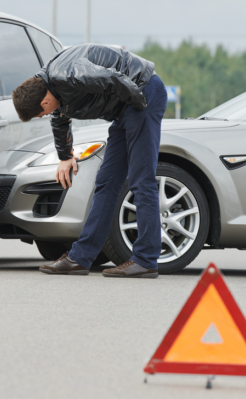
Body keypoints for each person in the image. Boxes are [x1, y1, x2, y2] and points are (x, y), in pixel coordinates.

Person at [12, 43, 167, 278]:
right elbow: (60, 118)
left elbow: (114, 79)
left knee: (140, 179)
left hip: (142, 95)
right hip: (126, 109)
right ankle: (80, 258)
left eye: (40, 114)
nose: (44, 115)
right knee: (106, 181)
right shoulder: (50, 85)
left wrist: (139, 110)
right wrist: (65, 157)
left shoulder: (70, 74)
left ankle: (146, 260)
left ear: (43, 102)